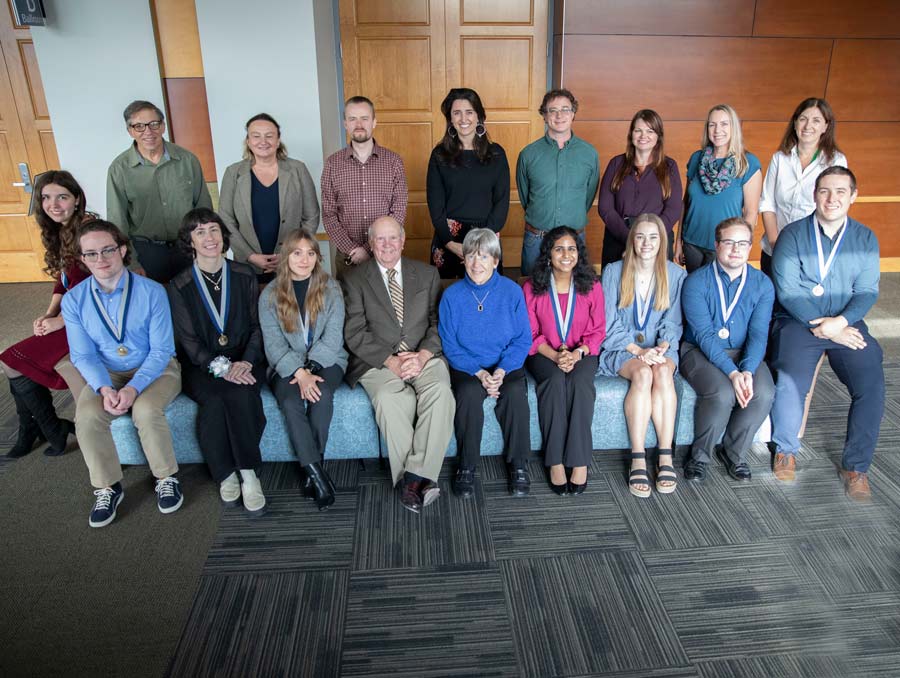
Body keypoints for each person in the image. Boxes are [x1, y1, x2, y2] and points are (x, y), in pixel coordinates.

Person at [770, 167, 883, 501]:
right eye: (824, 191)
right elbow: (788, 292)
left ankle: (856, 467)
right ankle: (786, 449)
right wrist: (825, 327)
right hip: (798, 321)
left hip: (846, 323)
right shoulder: (792, 235)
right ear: (814, 194)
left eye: (840, 192)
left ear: (853, 195)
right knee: (790, 378)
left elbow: (867, 291)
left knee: (872, 382)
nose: (831, 199)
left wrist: (841, 323)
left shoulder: (865, 238)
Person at [61, 220, 183, 528]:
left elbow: (161, 351)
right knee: (87, 417)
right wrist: (104, 389)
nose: (100, 259)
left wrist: (134, 388)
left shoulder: (153, 291)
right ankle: (107, 486)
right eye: (91, 254)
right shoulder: (73, 300)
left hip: (155, 369)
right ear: (82, 259)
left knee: (145, 409)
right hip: (106, 373)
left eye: (107, 250)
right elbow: (82, 355)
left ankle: (166, 478)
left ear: (122, 250)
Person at [342, 216, 454, 513]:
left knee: (441, 392)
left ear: (403, 241)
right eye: (380, 239)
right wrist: (390, 361)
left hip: (423, 356)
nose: (388, 245)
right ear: (371, 243)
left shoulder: (427, 274)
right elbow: (354, 332)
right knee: (391, 399)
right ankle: (422, 481)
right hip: (377, 360)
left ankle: (412, 479)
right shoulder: (353, 279)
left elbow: (438, 323)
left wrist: (422, 356)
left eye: (393, 238)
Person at [167, 208, 268, 515]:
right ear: (190, 241)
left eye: (213, 230)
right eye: (199, 232)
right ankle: (225, 473)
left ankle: (248, 472)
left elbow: (256, 327)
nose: (209, 238)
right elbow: (189, 342)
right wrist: (223, 369)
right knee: (214, 400)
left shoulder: (244, 274)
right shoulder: (179, 285)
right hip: (202, 367)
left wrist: (246, 362)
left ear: (223, 235)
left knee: (240, 393)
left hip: (246, 360)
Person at [1, 171, 90, 457]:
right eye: (46, 197)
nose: (53, 204)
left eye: (62, 197)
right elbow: (63, 280)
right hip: (70, 314)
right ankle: (40, 429)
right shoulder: (60, 230)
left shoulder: (89, 231)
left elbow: (101, 289)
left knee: (11, 360)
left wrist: (61, 321)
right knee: (12, 360)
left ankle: (49, 428)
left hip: (91, 319)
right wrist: (48, 312)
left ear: (76, 199)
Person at [680, 217, 775, 483]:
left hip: (744, 352)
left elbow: (758, 334)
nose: (736, 249)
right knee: (722, 393)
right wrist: (733, 374)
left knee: (764, 392)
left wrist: (746, 369)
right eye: (729, 242)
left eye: (742, 243)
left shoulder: (762, 284)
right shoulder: (696, 282)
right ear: (717, 244)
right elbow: (705, 335)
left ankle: (734, 452)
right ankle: (699, 457)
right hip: (699, 351)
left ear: (750, 246)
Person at [438, 229, 532, 497]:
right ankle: (466, 466)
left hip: (506, 364)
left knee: (515, 393)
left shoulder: (512, 292)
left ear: (495, 259)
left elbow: (523, 340)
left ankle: (519, 465)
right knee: (467, 394)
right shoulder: (452, 296)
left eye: (483, 256)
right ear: (463, 259)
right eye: (470, 256)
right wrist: (479, 373)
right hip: (468, 366)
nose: (476, 263)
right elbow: (449, 344)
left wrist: (501, 371)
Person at [260, 228, 347, 511]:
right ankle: (316, 473)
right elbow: (273, 346)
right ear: (286, 256)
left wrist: (310, 370)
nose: (304, 259)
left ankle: (314, 465)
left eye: (310, 253)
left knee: (320, 393)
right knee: (289, 400)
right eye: (297, 253)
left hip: (328, 360)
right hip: (286, 364)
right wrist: (299, 373)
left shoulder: (330, 287)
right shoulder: (270, 295)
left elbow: (333, 338)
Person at [599, 214, 686, 497]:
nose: (646, 243)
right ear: (631, 240)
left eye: (653, 237)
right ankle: (638, 455)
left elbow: (672, 322)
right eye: (640, 236)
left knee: (661, 371)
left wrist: (661, 347)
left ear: (662, 241)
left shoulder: (675, 274)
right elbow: (607, 323)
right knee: (644, 372)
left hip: (660, 347)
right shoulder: (614, 271)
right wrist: (638, 351)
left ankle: (664, 455)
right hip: (622, 348)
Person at [523, 226, 605, 494]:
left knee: (581, 384)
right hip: (544, 353)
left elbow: (598, 330)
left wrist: (578, 353)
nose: (566, 254)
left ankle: (580, 461)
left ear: (578, 255)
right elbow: (529, 332)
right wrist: (555, 355)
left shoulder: (592, 286)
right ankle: (555, 460)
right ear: (548, 255)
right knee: (555, 382)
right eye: (559, 249)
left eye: (572, 248)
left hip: (582, 352)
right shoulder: (532, 287)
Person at [106, 100, 212, 282]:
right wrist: (131, 263)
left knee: (193, 304)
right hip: (146, 252)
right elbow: (117, 222)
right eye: (139, 126)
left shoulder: (187, 160)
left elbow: (203, 209)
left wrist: (206, 251)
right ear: (130, 131)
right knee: (155, 305)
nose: (148, 131)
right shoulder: (119, 169)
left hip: (187, 246)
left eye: (154, 124)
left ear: (163, 126)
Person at [218, 113, 320, 284]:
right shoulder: (233, 173)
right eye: (256, 136)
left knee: (294, 309)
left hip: (293, 263)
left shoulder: (298, 170)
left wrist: (292, 252)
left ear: (278, 140)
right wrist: (250, 255)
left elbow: (311, 216)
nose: (262, 141)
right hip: (247, 266)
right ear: (248, 141)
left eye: (269, 136)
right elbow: (225, 220)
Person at [321, 96, 408, 279]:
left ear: (374, 122)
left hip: (386, 254)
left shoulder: (393, 162)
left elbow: (398, 210)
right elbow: (329, 214)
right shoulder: (333, 164)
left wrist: (370, 248)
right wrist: (353, 249)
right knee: (349, 307)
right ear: (345, 123)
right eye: (352, 119)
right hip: (347, 258)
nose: (358, 124)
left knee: (387, 306)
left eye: (364, 118)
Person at [427, 88, 510, 278]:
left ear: (479, 116)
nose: (463, 119)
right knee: (446, 297)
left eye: (469, 112)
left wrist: (480, 246)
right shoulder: (439, 155)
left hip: (487, 237)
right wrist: (449, 242)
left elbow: (502, 202)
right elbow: (435, 203)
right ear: (450, 119)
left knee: (487, 299)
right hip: (448, 239)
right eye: (457, 113)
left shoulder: (496, 154)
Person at [759, 98, 847, 277]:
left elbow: (834, 208)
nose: (808, 126)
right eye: (803, 119)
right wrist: (777, 244)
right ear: (795, 123)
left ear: (825, 126)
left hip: (813, 252)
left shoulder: (836, 161)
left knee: (802, 302)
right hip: (775, 248)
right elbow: (767, 203)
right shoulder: (780, 158)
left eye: (816, 120)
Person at [516, 89, 599, 275]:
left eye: (565, 109)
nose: (559, 115)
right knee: (533, 294)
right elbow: (525, 197)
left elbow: (588, 195)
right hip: (537, 239)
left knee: (575, 294)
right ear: (544, 116)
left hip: (574, 241)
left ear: (573, 114)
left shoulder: (589, 154)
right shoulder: (528, 154)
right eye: (552, 110)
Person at [677, 104, 762, 273]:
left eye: (724, 124)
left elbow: (751, 213)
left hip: (725, 248)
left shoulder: (747, 163)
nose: (717, 130)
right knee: (693, 294)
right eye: (712, 124)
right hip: (692, 244)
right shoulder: (697, 159)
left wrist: (741, 247)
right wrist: (678, 241)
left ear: (734, 128)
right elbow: (685, 203)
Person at [598, 109, 682, 266]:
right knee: (615, 287)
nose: (643, 136)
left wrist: (649, 238)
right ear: (631, 134)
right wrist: (630, 238)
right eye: (638, 130)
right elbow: (605, 208)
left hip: (656, 242)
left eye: (650, 131)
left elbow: (674, 209)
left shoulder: (669, 166)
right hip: (618, 238)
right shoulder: (616, 164)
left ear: (658, 136)